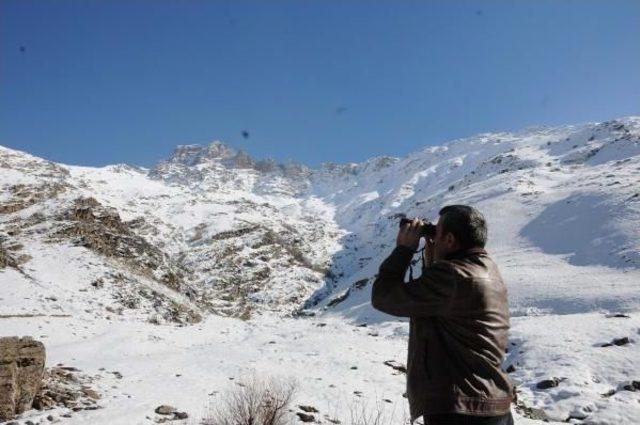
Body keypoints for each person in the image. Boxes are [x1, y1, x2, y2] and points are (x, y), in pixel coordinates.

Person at [371, 205, 516, 425]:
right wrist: (434, 262)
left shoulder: (451, 276)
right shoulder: (488, 271)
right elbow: (441, 308)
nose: (432, 238)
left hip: (461, 411)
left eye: (436, 233)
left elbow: (383, 296)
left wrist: (404, 250)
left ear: (449, 240)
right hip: (493, 406)